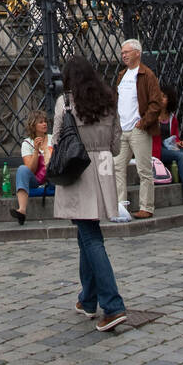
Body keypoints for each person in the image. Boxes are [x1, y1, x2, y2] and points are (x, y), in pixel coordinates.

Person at [52, 56, 127, 332]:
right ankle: (88, 298)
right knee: (86, 233)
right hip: (104, 170)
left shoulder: (67, 103)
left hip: (78, 171)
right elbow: (117, 145)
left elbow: (57, 139)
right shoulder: (108, 101)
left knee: (91, 237)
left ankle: (114, 305)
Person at [113, 39, 163, 220]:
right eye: (122, 52)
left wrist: (144, 122)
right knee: (118, 167)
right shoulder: (122, 75)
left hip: (138, 129)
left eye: (127, 52)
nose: (124, 55)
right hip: (122, 129)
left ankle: (146, 206)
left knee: (144, 170)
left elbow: (155, 103)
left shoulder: (146, 75)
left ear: (137, 53)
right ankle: (120, 205)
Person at [10, 108, 54, 225]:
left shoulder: (53, 139)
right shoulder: (27, 143)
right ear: (33, 125)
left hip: (52, 177)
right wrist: (35, 150)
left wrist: (46, 151)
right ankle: (22, 210)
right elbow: (31, 170)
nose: (44, 124)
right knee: (22, 169)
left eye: (45, 121)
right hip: (36, 180)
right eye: (40, 122)